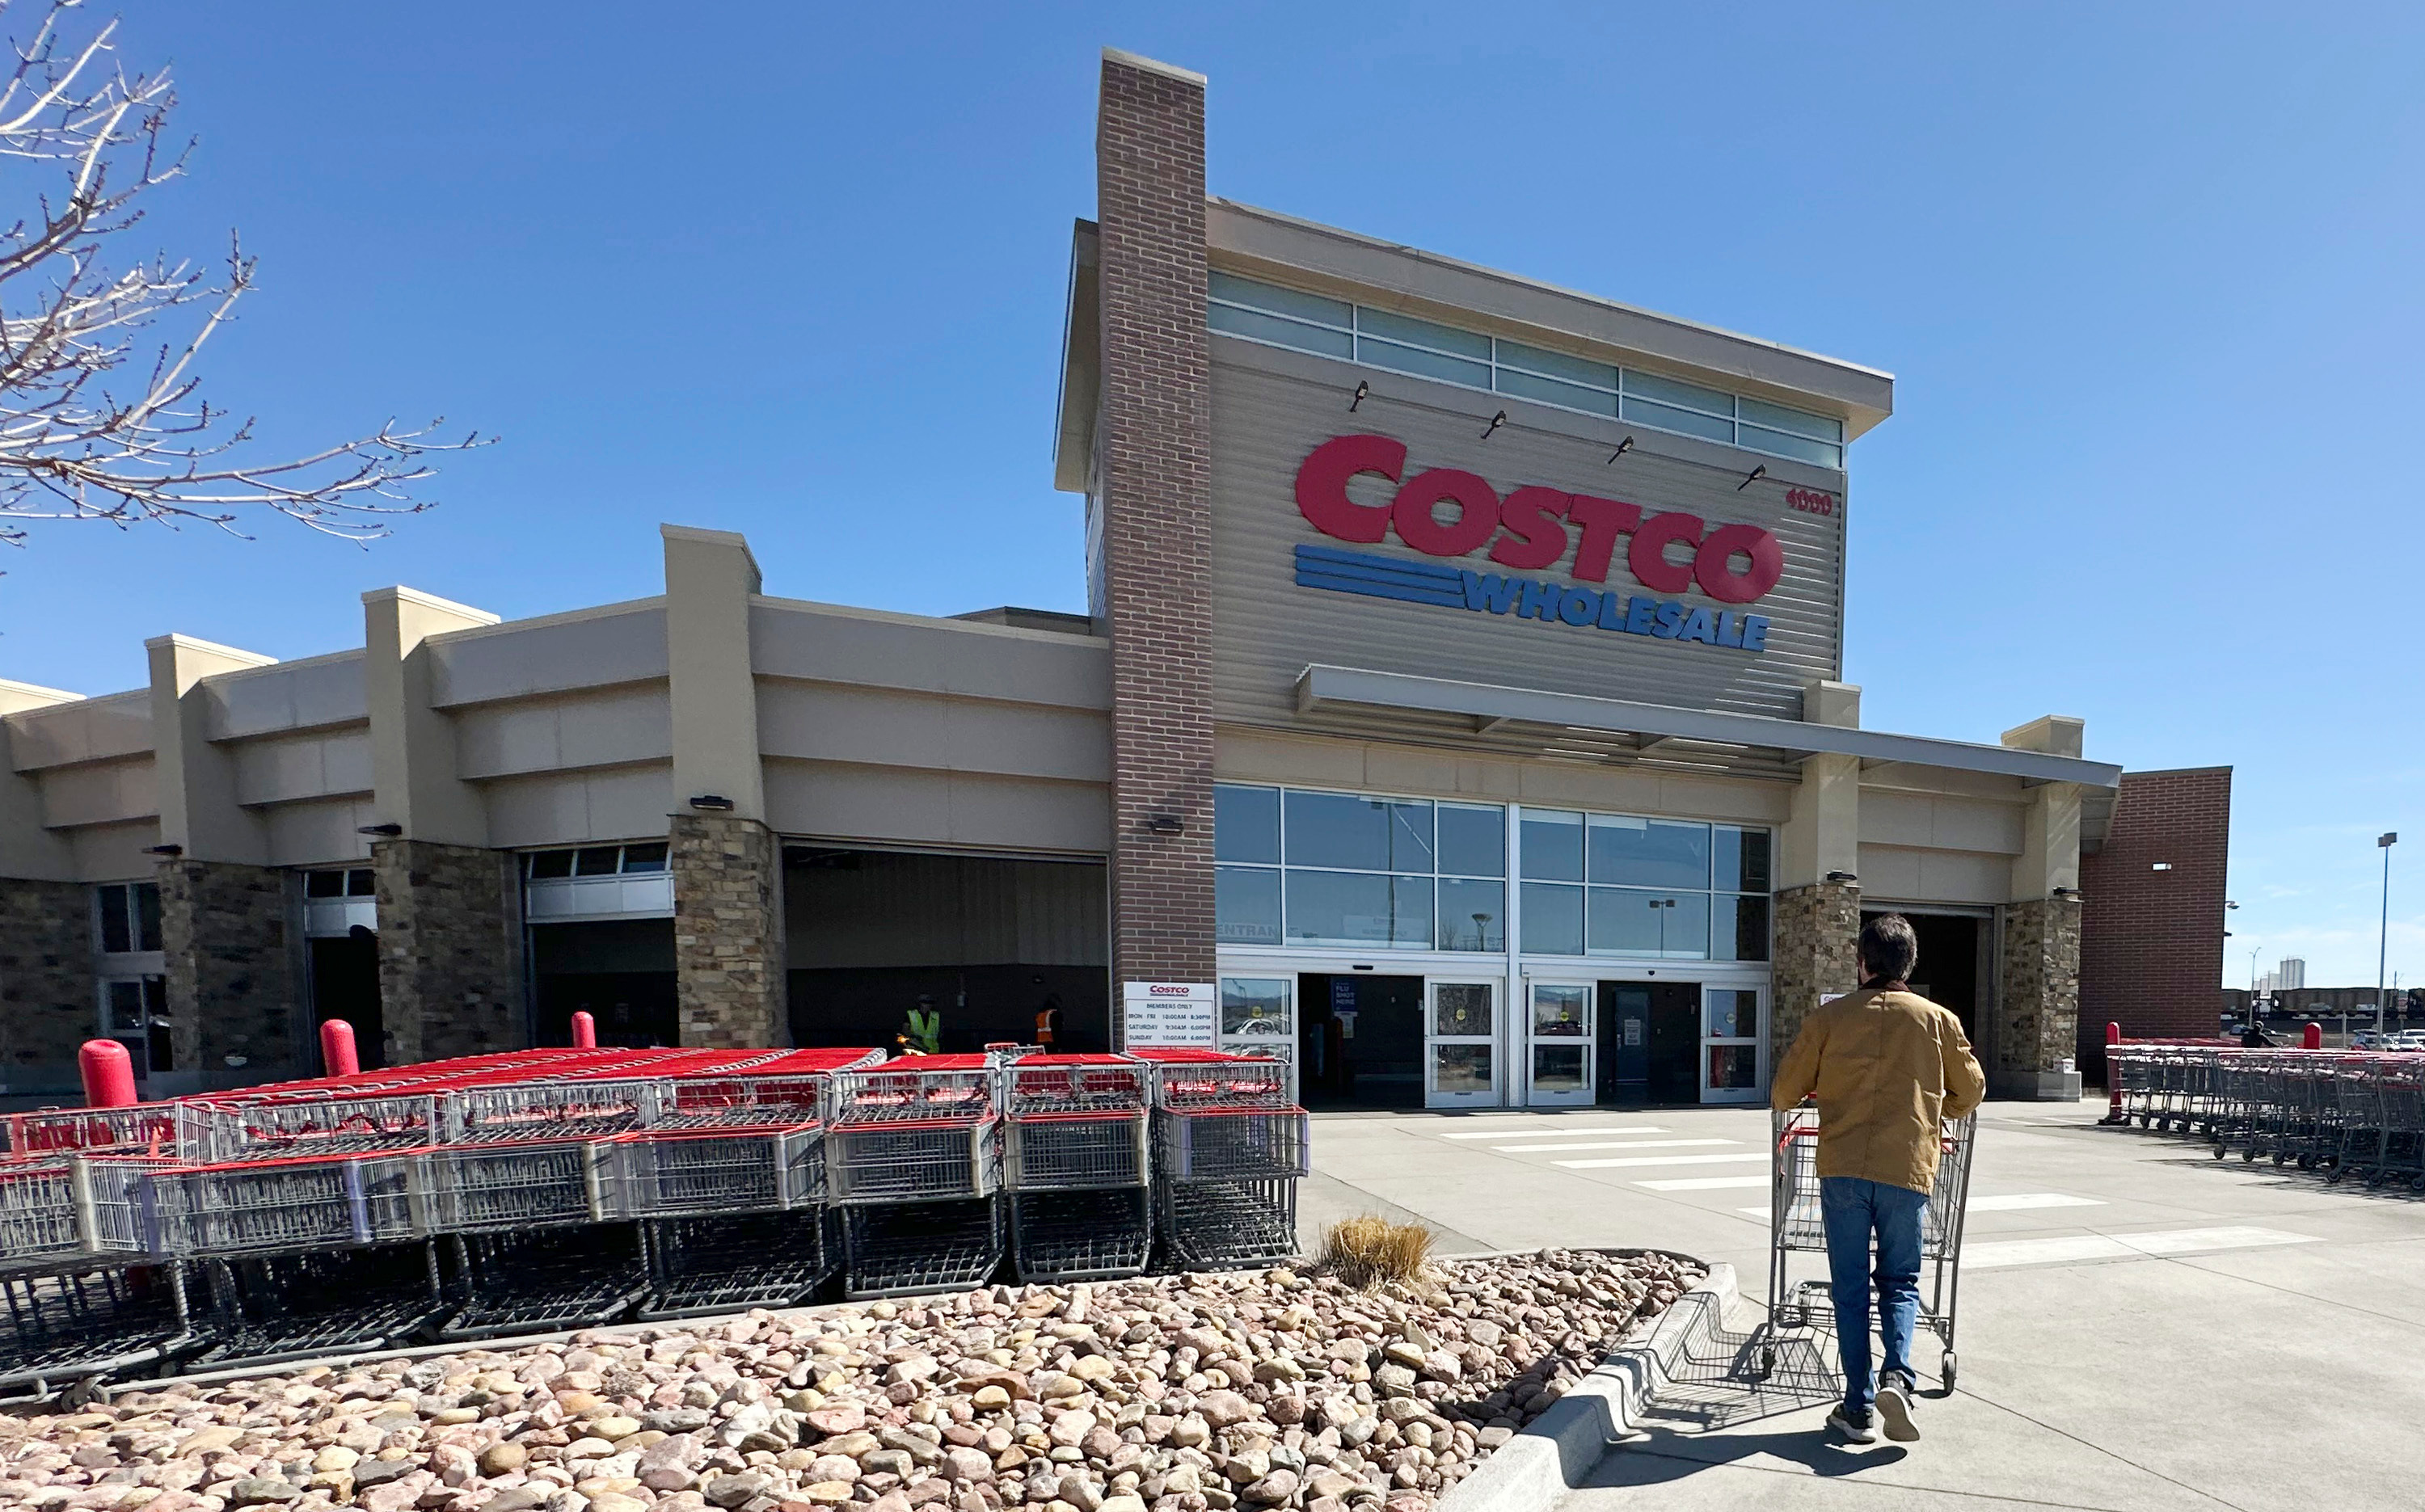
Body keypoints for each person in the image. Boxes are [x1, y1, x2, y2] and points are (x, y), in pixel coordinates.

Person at [1771, 913, 1985, 1445]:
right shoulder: (1939, 1020)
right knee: (1901, 1280)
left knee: (1850, 1288)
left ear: (1862, 962)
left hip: (1843, 1169)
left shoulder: (1830, 1018)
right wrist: (1932, 1109)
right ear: (1909, 964)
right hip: (1907, 1167)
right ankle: (1898, 1378)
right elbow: (1971, 1091)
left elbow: (1784, 1092)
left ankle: (1858, 1407)